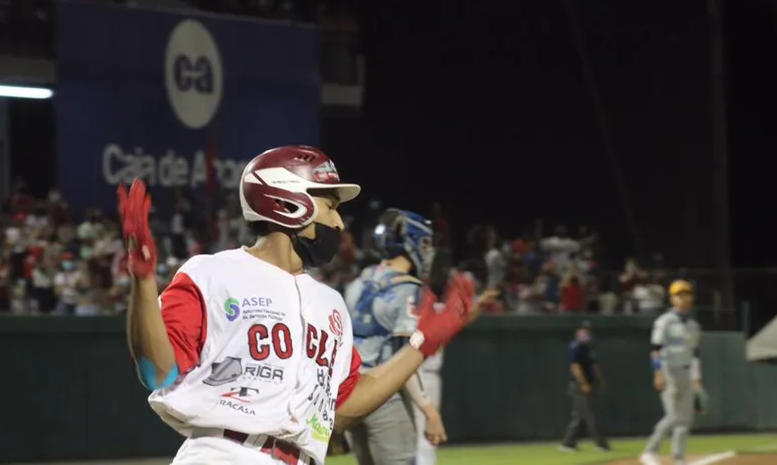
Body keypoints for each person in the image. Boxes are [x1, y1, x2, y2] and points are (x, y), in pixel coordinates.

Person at [120, 145, 477, 465]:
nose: (338, 221)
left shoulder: (330, 303)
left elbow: (341, 407)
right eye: (331, 206)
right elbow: (157, 372)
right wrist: (143, 280)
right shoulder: (211, 273)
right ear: (289, 202)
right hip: (224, 454)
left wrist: (421, 344)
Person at [342, 208, 447, 465]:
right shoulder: (409, 289)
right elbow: (404, 358)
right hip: (384, 395)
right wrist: (428, 409)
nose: (427, 249)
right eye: (424, 242)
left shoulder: (359, 283)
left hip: (351, 393)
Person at [639, 280, 708, 465]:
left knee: (685, 419)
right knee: (673, 416)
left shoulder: (693, 325)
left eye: (687, 294)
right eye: (679, 295)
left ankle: (678, 457)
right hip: (669, 369)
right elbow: (655, 349)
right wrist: (658, 373)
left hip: (686, 371)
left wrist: (697, 378)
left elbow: (695, 353)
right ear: (672, 299)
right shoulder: (664, 321)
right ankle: (650, 451)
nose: (684, 298)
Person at [559, 321, 610, 452]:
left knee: (580, 416)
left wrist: (600, 381)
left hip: (589, 383)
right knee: (590, 415)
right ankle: (601, 444)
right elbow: (575, 367)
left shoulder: (588, 348)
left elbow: (594, 366)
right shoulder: (576, 347)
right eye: (584, 332)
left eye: (588, 332)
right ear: (578, 333)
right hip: (580, 385)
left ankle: (568, 443)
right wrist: (583, 383)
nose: (587, 334)